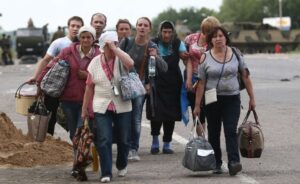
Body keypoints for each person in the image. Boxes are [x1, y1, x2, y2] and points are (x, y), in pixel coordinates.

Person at [193, 26, 256, 176]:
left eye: (220, 35)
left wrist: (252, 98)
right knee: (214, 132)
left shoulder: (236, 54)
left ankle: (234, 162)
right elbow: (201, 83)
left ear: (225, 38)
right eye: (214, 37)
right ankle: (216, 163)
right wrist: (197, 106)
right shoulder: (205, 57)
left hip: (232, 99)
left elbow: (246, 76)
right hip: (211, 99)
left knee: (230, 131)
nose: (218, 39)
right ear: (210, 40)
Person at [81, 31, 134, 183]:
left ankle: (122, 164)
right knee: (104, 139)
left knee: (124, 139)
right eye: (109, 45)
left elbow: (130, 64)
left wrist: (116, 49)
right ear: (103, 46)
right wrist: (84, 109)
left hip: (122, 104)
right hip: (101, 105)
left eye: (115, 44)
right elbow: (89, 87)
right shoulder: (95, 62)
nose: (113, 47)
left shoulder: (121, 58)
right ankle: (106, 172)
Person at [118, 17, 168, 161]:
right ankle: (124, 148)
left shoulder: (152, 45)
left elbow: (163, 68)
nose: (142, 27)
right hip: (123, 85)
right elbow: (117, 61)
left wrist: (155, 57)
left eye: (145, 25)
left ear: (149, 29)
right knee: (123, 118)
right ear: (136, 27)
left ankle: (134, 149)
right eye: (139, 24)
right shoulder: (127, 42)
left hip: (139, 88)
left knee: (136, 119)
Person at [55, 26, 100, 179]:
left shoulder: (99, 55)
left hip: (88, 100)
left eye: (89, 37)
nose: (86, 40)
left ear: (94, 39)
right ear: (79, 38)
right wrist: (39, 82)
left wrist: (87, 75)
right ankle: (78, 162)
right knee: (74, 134)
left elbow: (105, 75)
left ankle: (78, 166)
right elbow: (52, 67)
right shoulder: (67, 51)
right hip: (68, 99)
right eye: (83, 37)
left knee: (82, 132)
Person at [28, 16, 84, 135]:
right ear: (68, 27)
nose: (75, 28)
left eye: (78, 26)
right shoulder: (59, 43)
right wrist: (36, 77)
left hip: (73, 88)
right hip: (55, 86)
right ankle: (47, 144)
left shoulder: (84, 43)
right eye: (73, 26)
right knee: (50, 117)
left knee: (73, 121)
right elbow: (45, 60)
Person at [147, 20, 188, 154]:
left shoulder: (177, 43)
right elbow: (150, 64)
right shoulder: (153, 42)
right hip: (157, 82)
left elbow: (185, 57)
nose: (167, 35)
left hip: (173, 83)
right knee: (156, 113)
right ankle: (155, 141)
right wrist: (149, 82)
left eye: (169, 32)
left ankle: (167, 143)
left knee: (170, 114)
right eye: (164, 32)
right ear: (160, 31)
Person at [184, 16, 221, 135]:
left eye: (212, 32)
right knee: (196, 111)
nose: (208, 35)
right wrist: (189, 78)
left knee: (209, 110)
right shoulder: (190, 39)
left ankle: (209, 139)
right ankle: (202, 140)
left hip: (209, 80)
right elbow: (187, 59)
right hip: (192, 77)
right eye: (206, 31)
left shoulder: (215, 43)